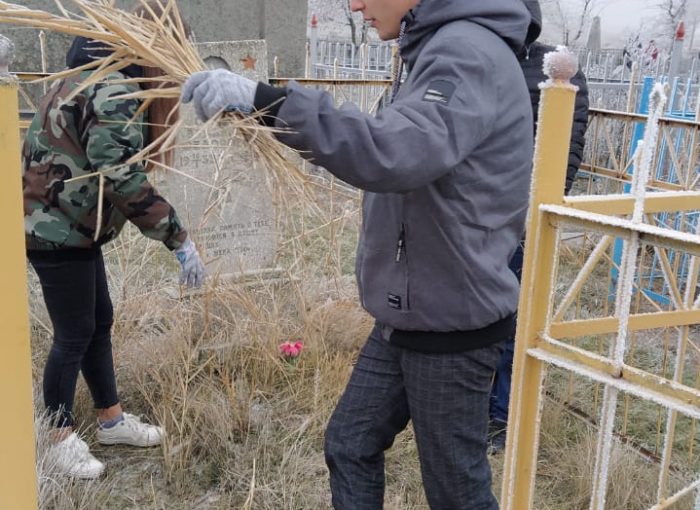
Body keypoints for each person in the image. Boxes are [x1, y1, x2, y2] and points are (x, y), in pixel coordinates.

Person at [182, 0, 534, 507]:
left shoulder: (466, 52)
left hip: (450, 321)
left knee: (456, 490)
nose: (354, 5)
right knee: (350, 444)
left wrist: (269, 100)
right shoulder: (435, 47)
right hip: (410, 310)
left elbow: (395, 152)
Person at [22, 2, 205, 479]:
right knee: (74, 333)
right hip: (54, 229)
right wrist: (178, 238)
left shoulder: (98, 75)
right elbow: (121, 172)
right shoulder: (114, 88)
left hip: (70, 226)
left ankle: (111, 420)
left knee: (98, 321)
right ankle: (57, 436)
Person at [488, 0, 590, 454]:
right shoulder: (479, 57)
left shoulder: (555, 68)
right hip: (478, 216)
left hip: (522, 216)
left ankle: (502, 415)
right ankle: (475, 406)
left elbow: (567, 142)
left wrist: (541, 207)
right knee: (481, 314)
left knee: (514, 318)